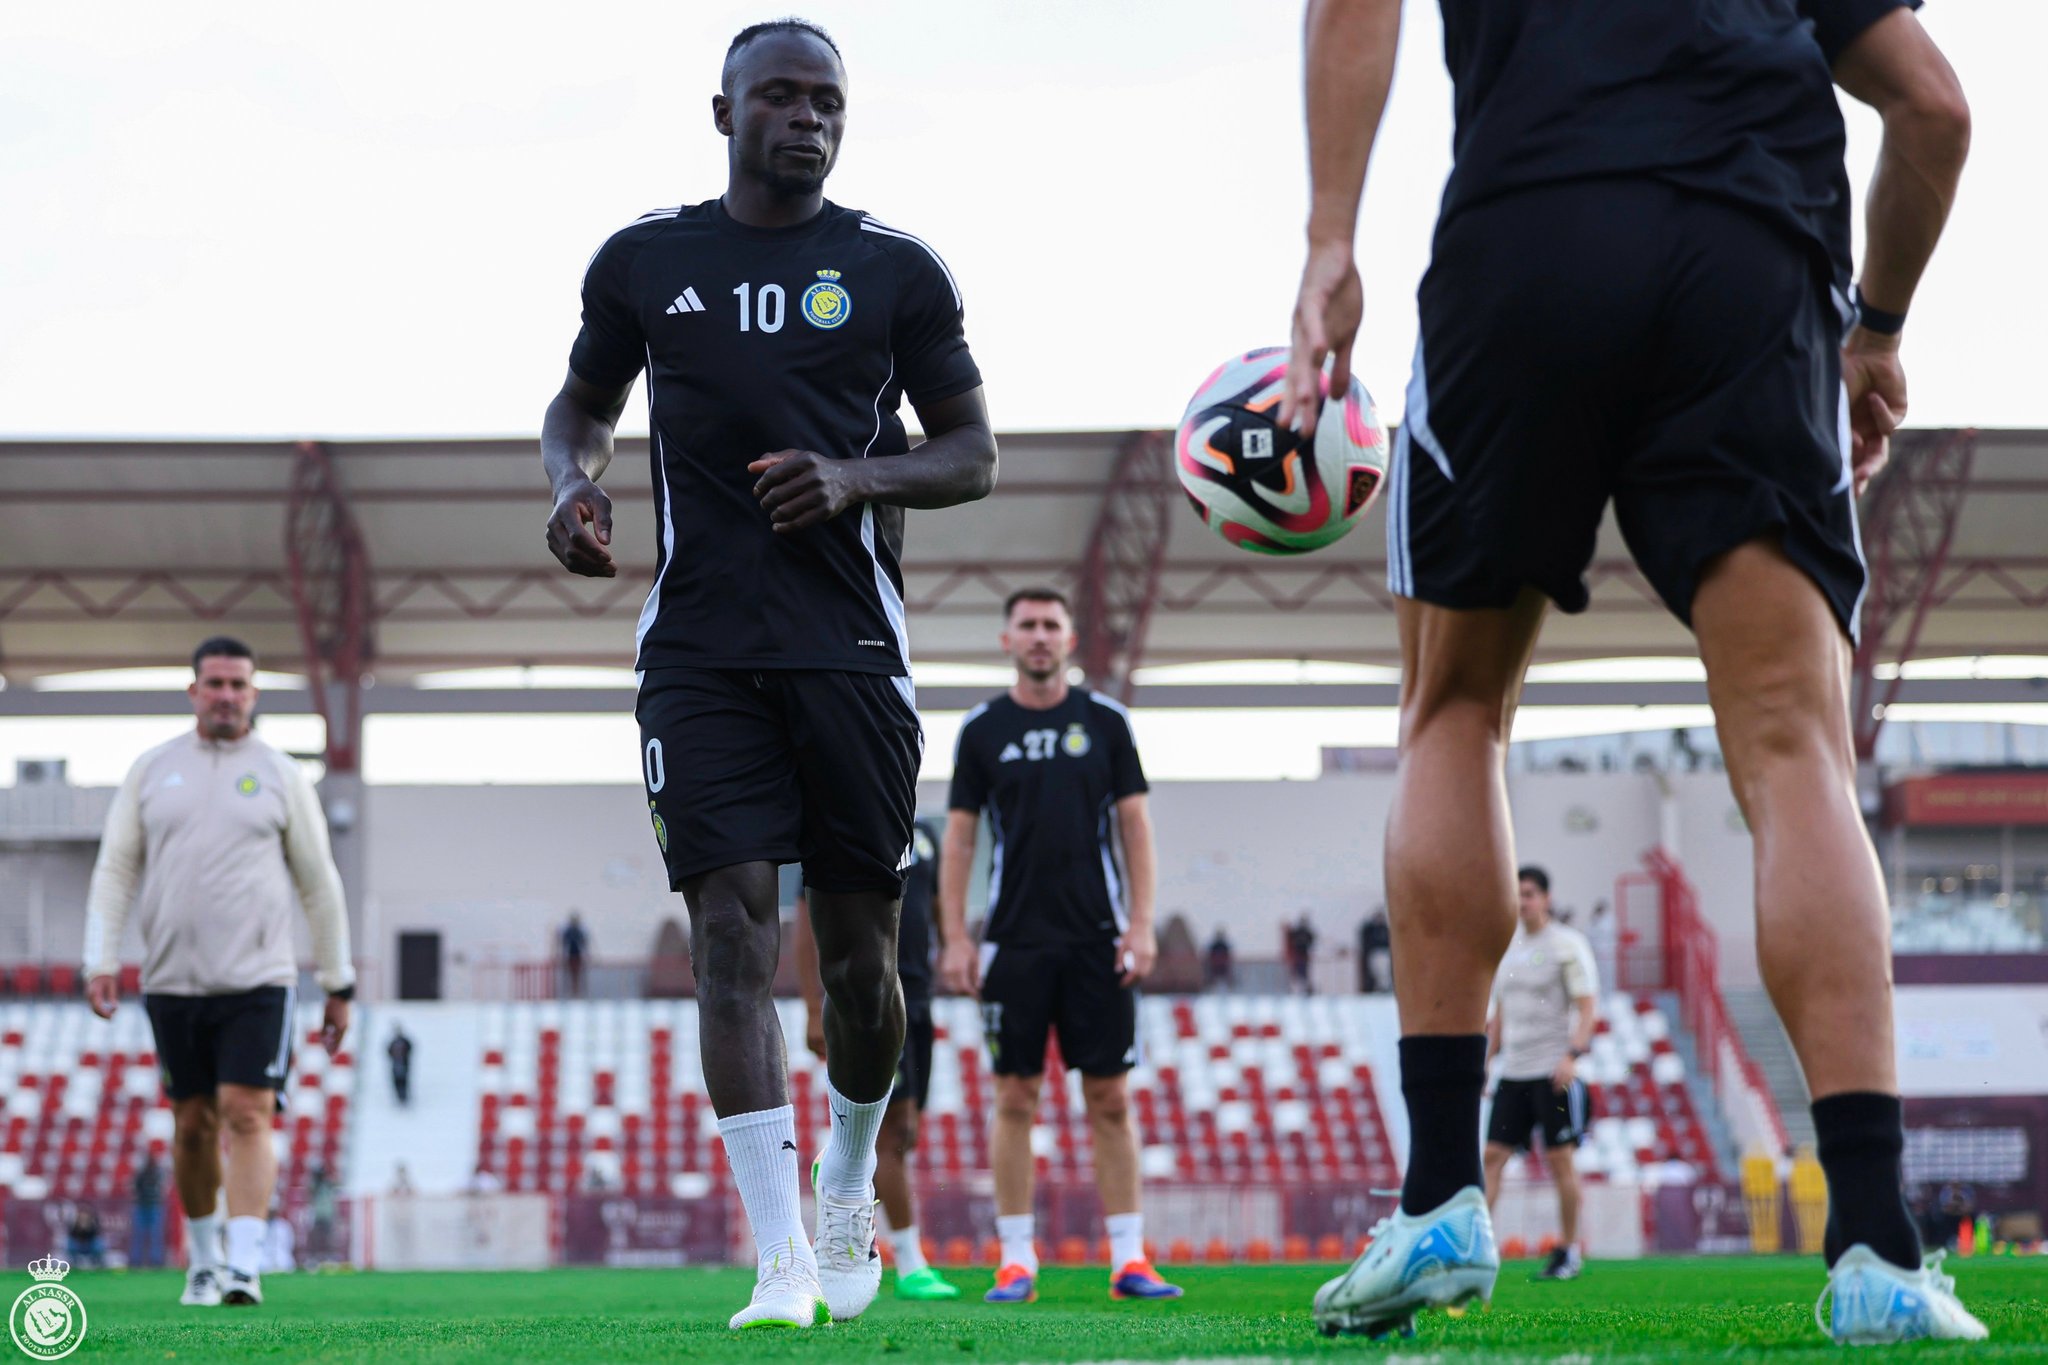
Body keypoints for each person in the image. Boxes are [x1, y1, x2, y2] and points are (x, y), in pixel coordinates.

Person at [1286, 0, 1977, 1344]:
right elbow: (1937, 110)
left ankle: (1438, 1199)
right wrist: (1878, 328)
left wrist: (1329, 238)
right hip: (1751, 257)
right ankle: (1880, 1247)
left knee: (1458, 709)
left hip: (1525, 233)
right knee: (1794, 748)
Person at [538, 16, 995, 1333]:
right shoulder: (645, 261)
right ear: (724, 109)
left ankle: (849, 1167)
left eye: (828, 102)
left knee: (857, 964)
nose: (808, 119)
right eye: (782, 98)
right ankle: (783, 1253)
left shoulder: (894, 271)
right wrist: (574, 484)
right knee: (728, 939)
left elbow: (972, 452)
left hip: (852, 654)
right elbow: (578, 403)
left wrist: (854, 476)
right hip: (698, 654)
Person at [82, 636, 355, 1309]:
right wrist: (101, 956)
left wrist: (338, 980)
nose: (227, 695)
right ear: (194, 691)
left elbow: (319, 882)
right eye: (215, 684)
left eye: (239, 684)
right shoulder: (152, 770)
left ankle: (244, 1265)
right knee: (193, 1123)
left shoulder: (280, 773)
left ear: (254, 694)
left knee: (248, 1111)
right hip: (172, 981)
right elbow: (116, 868)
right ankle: (203, 1262)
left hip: (259, 978)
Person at [938, 588, 1181, 1305]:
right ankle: (1016, 1259)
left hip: (1096, 938)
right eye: (1028, 625)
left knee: (1109, 1096)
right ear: (1006, 638)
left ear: (1070, 639)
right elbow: (960, 838)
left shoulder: (1106, 722)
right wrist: (957, 936)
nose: (1040, 636)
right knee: (1014, 1094)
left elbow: (1135, 826)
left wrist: (1141, 924)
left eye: (1052, 625)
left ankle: (1130, 1258)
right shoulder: (982, 729)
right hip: (1013, 941)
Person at [796, 817, 961, 1301]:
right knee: (890, 1134)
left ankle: (853, 1186)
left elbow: (935, 910)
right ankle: (909, 1261)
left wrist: (956, 952)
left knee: (904, 1131)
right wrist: (812, 1006)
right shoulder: (837, 818)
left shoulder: (927, 836)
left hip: (920, 995)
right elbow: (807, 922)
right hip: (874, 993)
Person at [1483, 868, 1598, 1280]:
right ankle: (1479, 1250)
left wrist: (1572, 1055)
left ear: (1546, 898)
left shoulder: (1567, 945)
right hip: (1514, 1072)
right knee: (1492, 1156)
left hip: (1552, 1072)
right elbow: (1498, 1015)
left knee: (1559, 1160)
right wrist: (1488, 1061)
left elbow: (1587, 1006)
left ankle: (1568, 1250)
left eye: (1529, 894)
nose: (1523, 902)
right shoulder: (1505, 948)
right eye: (1517, 895)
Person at [130, 1152, 166, 1269]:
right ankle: (136, 1262)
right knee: (139, 1235)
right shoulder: (141, 1174)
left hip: (154, 1206)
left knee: (155, 1236)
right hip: (143, 1205)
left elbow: (159, 1189)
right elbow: (135, 1187)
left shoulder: (158, 1174)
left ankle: (155, 1262)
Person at [1359, 909, 1392, 994]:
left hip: (1385, 954)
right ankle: (1378, 986)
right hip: (1374, 954)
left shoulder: (1385, 929)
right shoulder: (1369, 930)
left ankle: (1385, 986)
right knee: (1377, 967)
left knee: (1385, 967)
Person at [560, 912, 590, 998]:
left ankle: (577, 992)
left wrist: (586, 955)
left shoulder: (579, 931)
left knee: (577, 975)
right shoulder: (568, 931)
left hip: (577, 955)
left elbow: (583, 943)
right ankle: (570, 992)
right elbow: (564, 943)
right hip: (570, 955)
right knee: (569, 974)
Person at [1286, 915, 1318, 995]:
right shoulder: (1296, 932)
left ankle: (1305, 989)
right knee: (1296, 974)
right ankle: (1297, 990)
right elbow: (1291, 941)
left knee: (1304, 974)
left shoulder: (1307, 933)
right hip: (1297, 956)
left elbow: (1312, 941)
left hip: (1304, 956)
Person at [387, 1024, 414, 1107]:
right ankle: (399, 1097)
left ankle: (404, 1097)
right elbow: (388, 1051)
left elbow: (410, 1048)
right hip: (396, 1064)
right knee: (397, 1082)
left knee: (404, 1081)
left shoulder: (405, 1041)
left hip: (403, 1064)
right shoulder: (393, 1042)